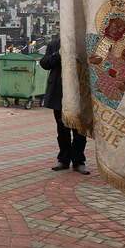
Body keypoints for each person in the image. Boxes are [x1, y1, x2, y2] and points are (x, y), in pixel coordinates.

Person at [40, 37, 88, 174]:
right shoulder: (54, 44)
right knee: (62, 130)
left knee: (79, 131)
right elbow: (44, 63)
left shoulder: (81, 44)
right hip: (58, 93)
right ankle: (63, 159)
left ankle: (78, 161)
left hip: (77, 92)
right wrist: (58, 54)